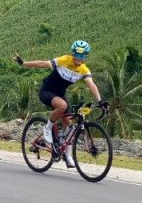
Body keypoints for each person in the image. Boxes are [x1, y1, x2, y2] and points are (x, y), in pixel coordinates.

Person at [13, 40, 105, 168]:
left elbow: (91, 85)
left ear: (85, 57)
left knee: (70, 128)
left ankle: (67, 156)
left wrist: (100, 101)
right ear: (72, 54)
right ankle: (47, 127)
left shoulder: (83, 70)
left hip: (60, 95)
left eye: (82, 56)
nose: (79, 58)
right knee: (62, 106)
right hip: (47, 91)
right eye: (77, 55)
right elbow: (42, 64)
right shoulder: (64, 60)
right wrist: (23, 63)